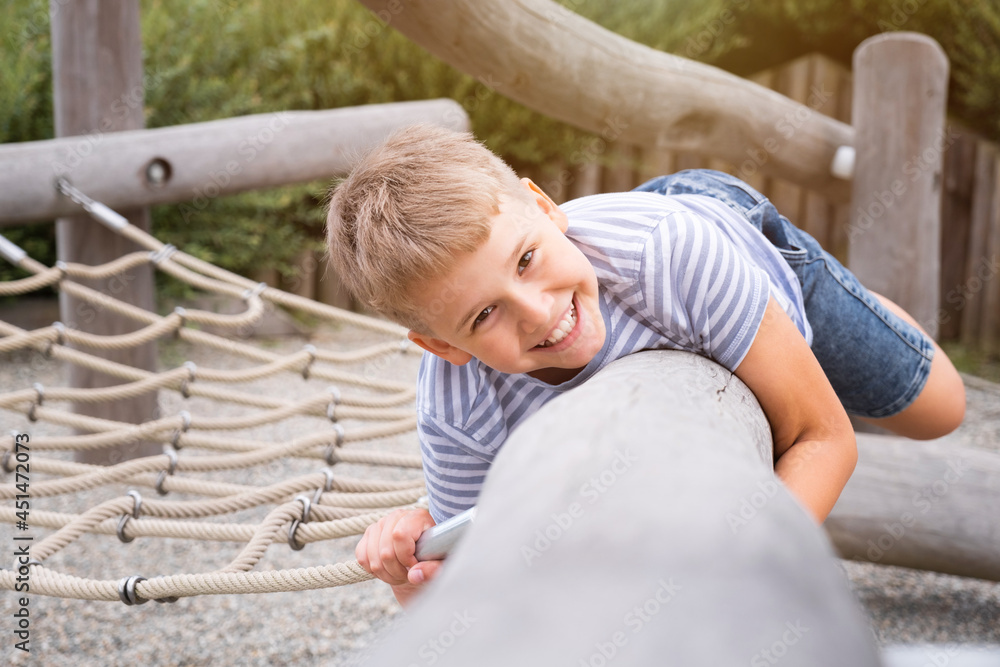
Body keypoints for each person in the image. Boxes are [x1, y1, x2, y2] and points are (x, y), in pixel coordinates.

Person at [326, 124, 966, 606]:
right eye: (483, 316)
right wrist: (407, 571)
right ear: (443, 346)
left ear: (547, 209)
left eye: (526, 260)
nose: (537, 312)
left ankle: (854, 302)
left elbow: (821, 437)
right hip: (669, 287)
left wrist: (746, 567)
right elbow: (473, 599)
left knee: (940, 409)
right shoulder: (456, 411)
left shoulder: (670, 254)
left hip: (734, 238)